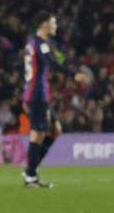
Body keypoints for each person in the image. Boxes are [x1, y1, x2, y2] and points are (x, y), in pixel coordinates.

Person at [21, 12, 87, 187]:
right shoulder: (39, 43)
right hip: (37, 95)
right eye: (53, 22)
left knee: (56, 129)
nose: (55, 25)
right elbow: (50, 61)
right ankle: (30, 175)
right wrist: (73, 74)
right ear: (44, 24)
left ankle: (31, 169)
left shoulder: (34, 43)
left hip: (37, 94)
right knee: (38, 133)